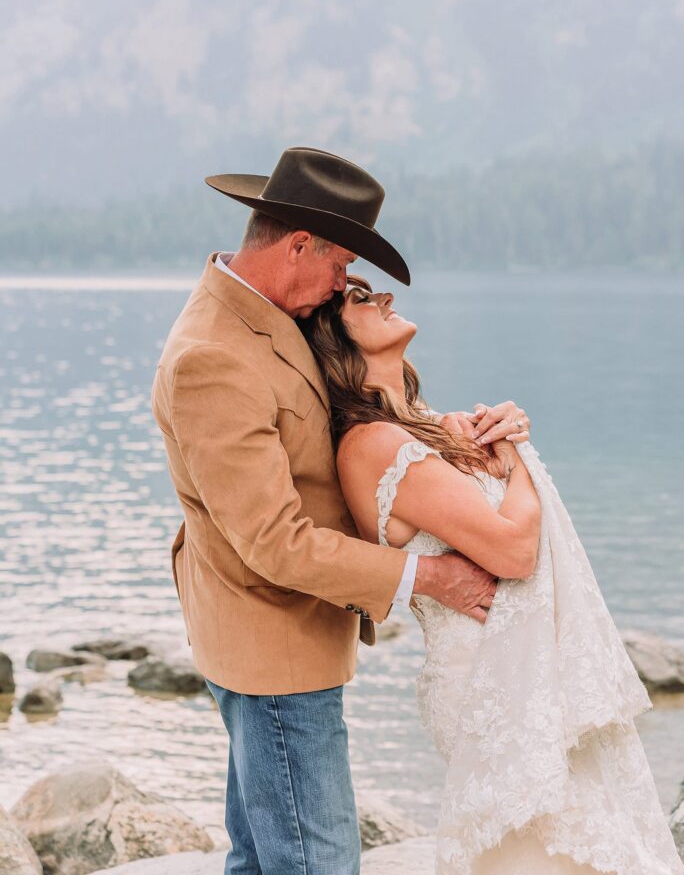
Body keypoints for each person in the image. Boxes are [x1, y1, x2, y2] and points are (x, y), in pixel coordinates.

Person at [151, 146, 525, 875]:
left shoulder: (276, 311)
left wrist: (452, 435)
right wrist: (432, 580)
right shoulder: (212, 357)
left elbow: (347, 429)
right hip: (270, 642)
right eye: (340, 263)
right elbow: (276, 542)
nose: (345, 283)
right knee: (318, 862)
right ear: (297, 246)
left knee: (262, 858)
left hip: (275, 634)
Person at [300, 275, 684, 875]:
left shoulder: (422, 424)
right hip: (491, 686)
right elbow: (513, 552)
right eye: (360, 298)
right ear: (331, 340)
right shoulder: (371, 444)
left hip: (527, 671)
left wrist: (506, 434)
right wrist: (518, 461)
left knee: (594, 846)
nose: (385, 300)